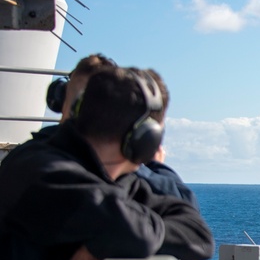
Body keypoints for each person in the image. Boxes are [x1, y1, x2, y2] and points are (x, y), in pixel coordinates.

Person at [0, 66, 214, 260]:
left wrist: (101, 243)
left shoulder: (109, 177)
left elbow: (198, 236)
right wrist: (116, 234)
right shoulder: (41, 172)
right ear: (145, 141)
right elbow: (130, 229)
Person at [40, 54, 198, 208]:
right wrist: (154, 164)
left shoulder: (29, 155)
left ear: (60, 99)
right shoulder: (119, 184)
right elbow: (185, 208)